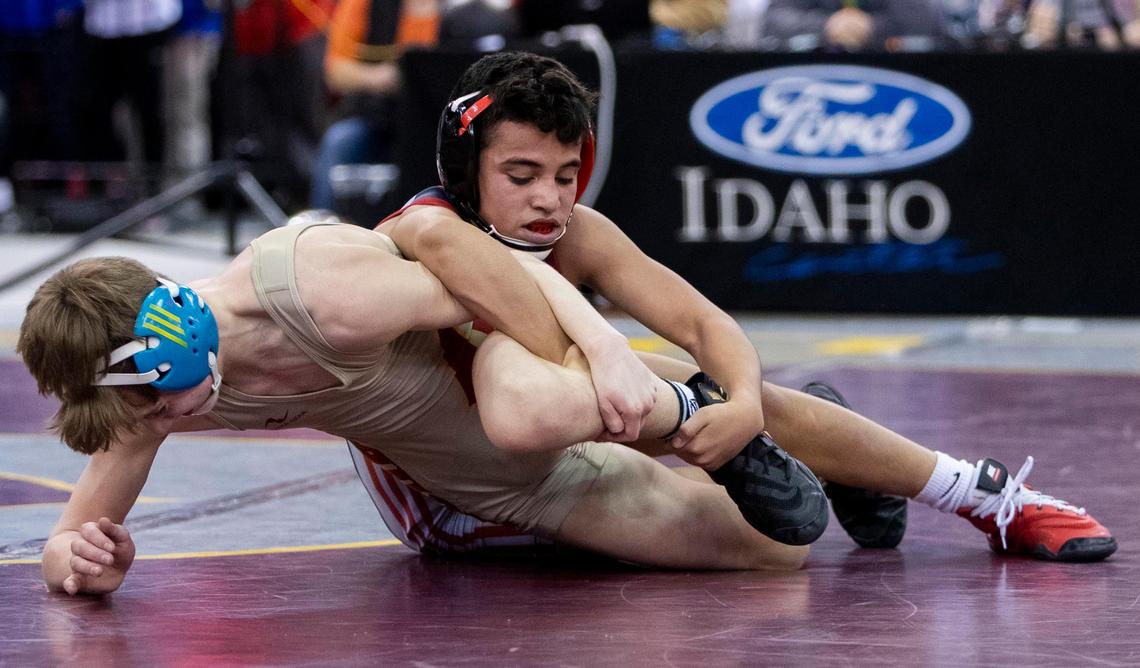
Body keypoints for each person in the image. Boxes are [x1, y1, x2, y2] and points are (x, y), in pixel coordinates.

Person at [365, 50, 1116, 564]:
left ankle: (983, 495)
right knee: (775, 548)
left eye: (566, 176)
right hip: (453, 497)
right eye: (522, 175)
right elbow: (436, 262)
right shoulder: (417, 237)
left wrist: (747, 403)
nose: (549, 200)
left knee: (713, 397)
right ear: (464, 169)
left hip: (560, 440)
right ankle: (828, 463)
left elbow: (703, 324)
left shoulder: (579, 233)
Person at [19, 207, 828, 595]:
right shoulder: (146, 394)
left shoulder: (320, 293)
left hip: (513, 377)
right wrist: (78, 563)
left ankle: (691, 407)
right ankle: (801, 456)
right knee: (777, 550)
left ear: (178, 333)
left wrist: (605, 350)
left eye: (155, 403)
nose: (156, 425)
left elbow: (512, 276)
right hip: (502, 479)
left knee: (562, 413)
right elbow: (66, 542)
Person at [309, 0, 441, 213]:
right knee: (340, 141)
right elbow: (335, 72)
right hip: (379, 119)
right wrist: (382, 78)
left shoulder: (458, 11)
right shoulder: (365, 4)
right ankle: (321, 224)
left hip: (438, 121)